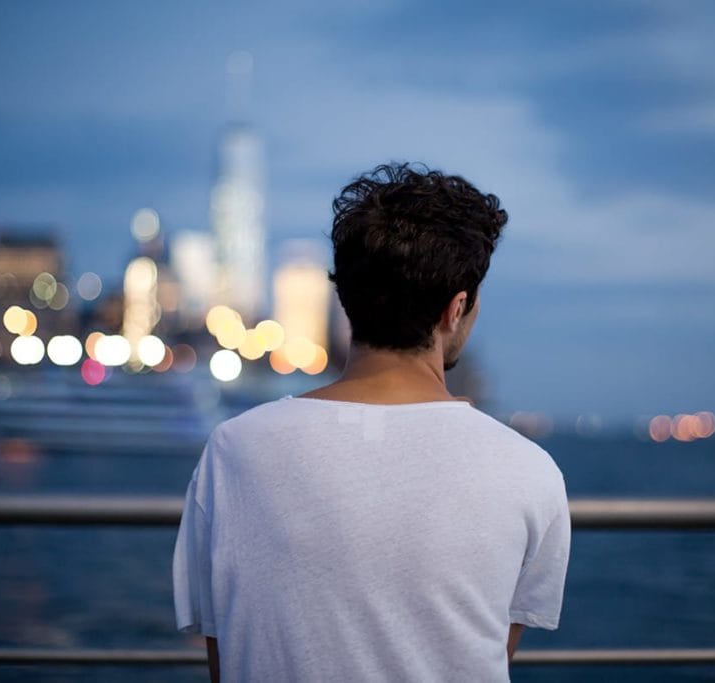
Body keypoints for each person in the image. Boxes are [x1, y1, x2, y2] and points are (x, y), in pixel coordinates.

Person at [173, 162, 570, 682]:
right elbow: (484, 653)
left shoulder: (235, 450)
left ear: (346, 299)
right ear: (456, 309)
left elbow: (228, 656)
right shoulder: (531, 472)